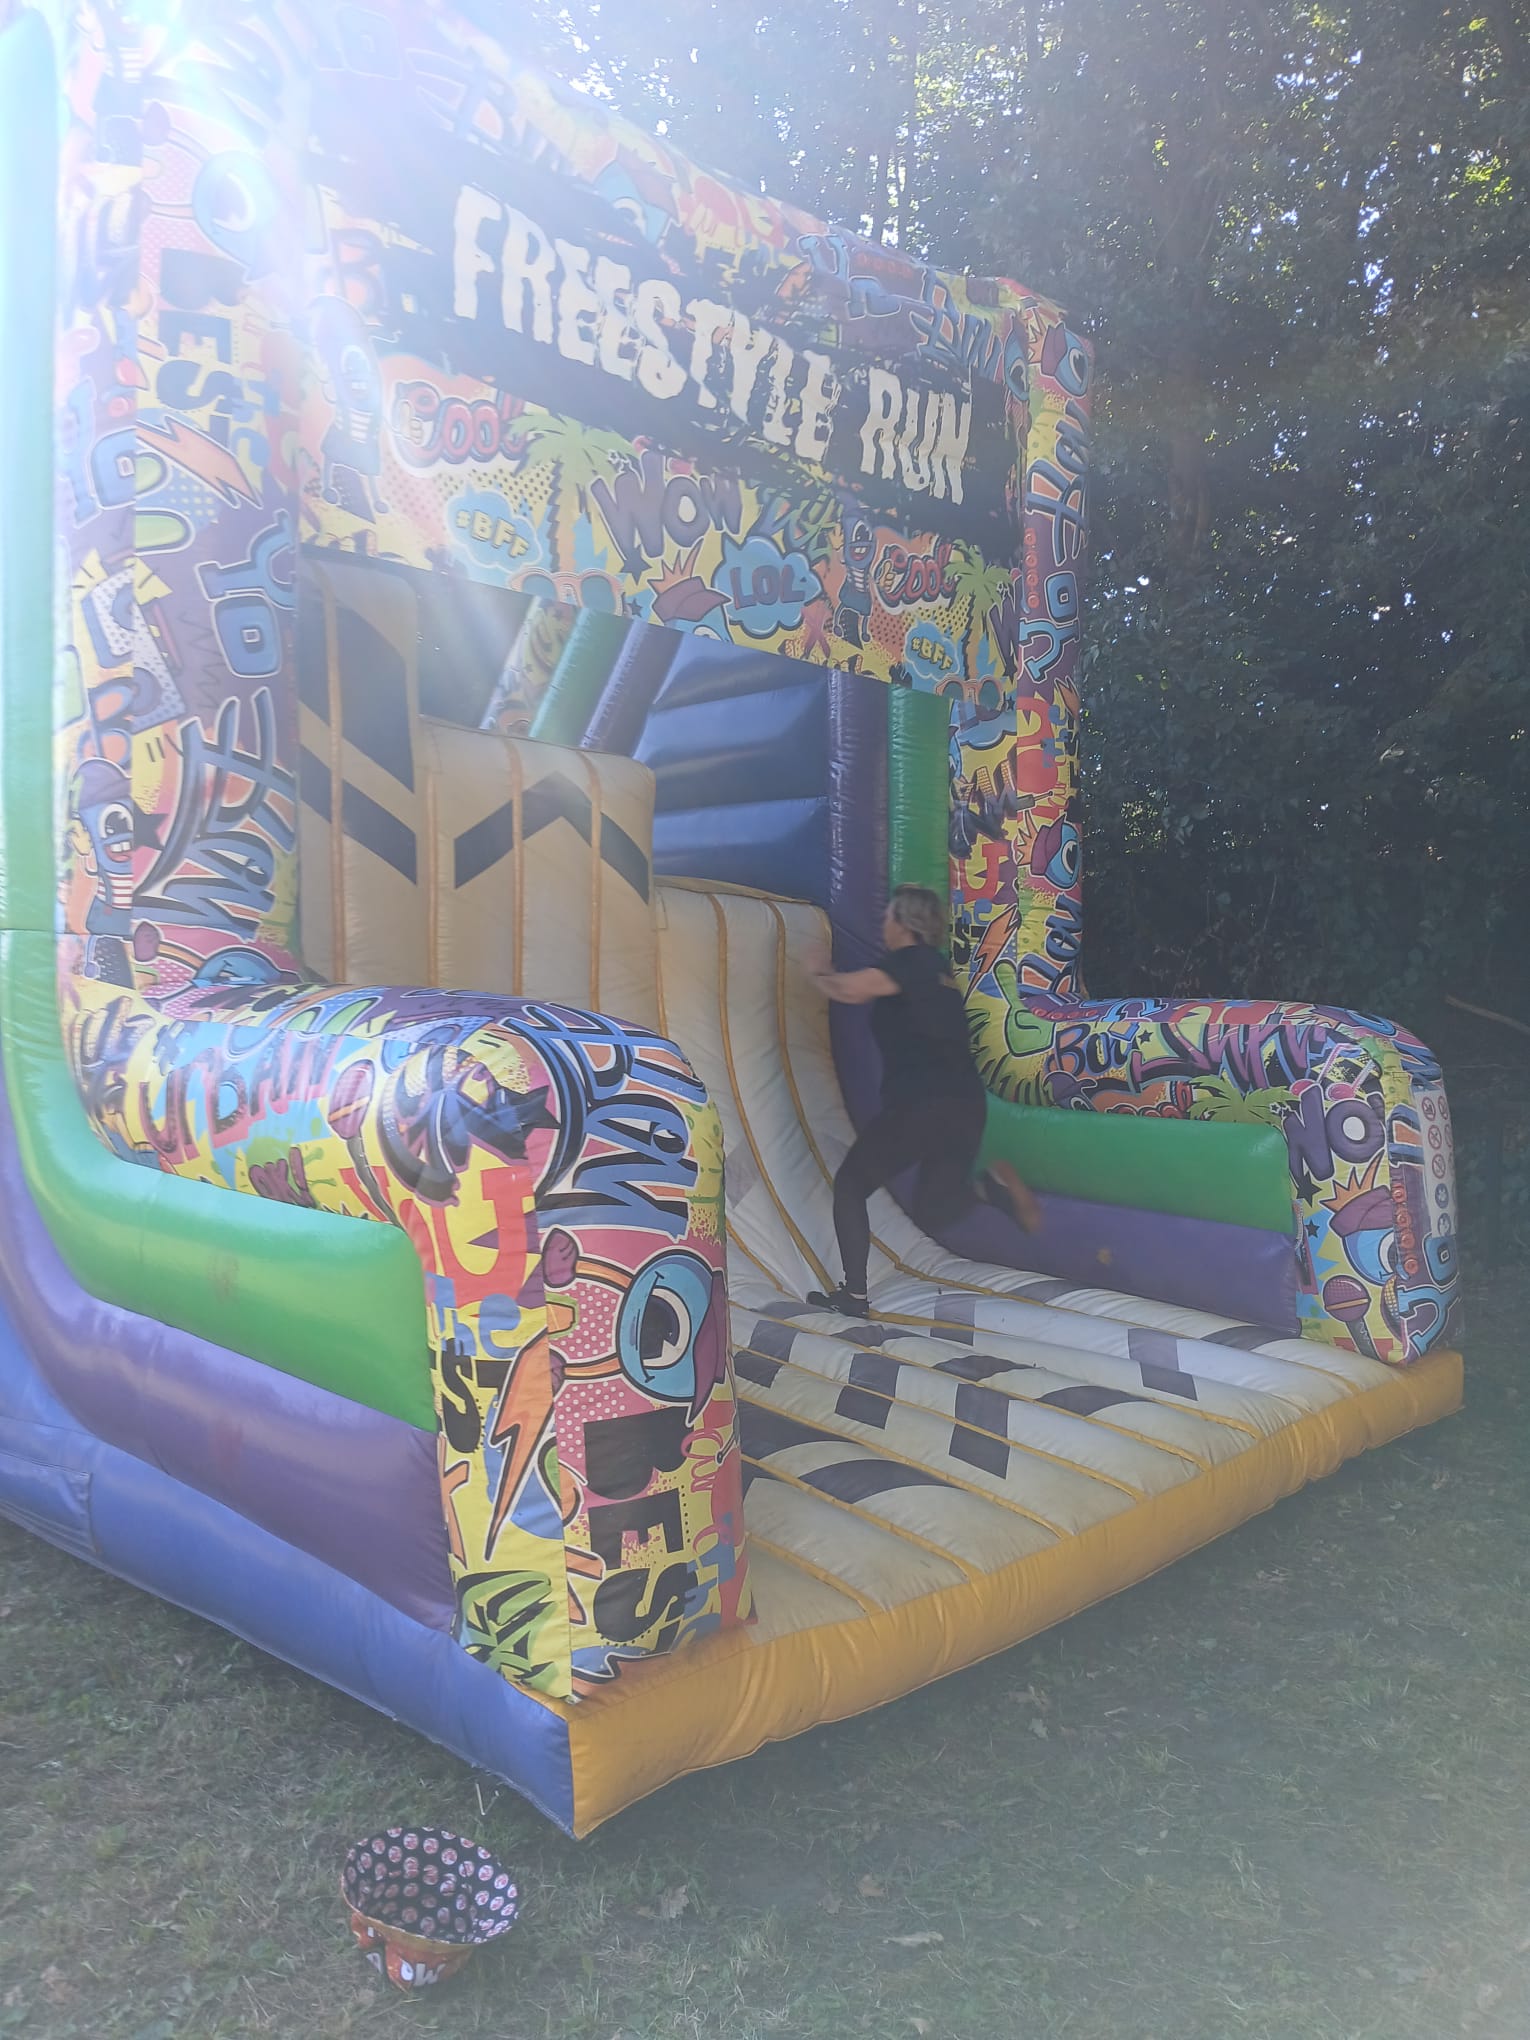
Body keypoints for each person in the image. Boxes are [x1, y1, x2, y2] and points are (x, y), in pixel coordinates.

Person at [803, 883, 1041, 1319]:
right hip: (966, 1106)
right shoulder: (940, 972)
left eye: (888, 916)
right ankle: (991, 1190)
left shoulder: (908, 961)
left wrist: (818, 972)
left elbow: (850, 991)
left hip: (923, 1103)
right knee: (933, 1207)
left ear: (904, 923)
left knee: (851, 1185)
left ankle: (854, 1295)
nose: (884, 924)